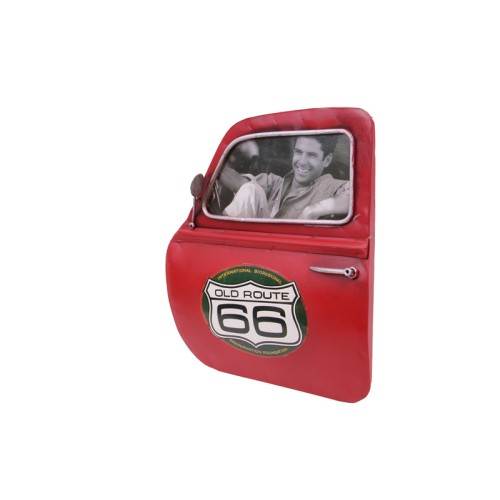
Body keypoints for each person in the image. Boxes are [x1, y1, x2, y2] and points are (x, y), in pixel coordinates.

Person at [218, 135, 350, 219]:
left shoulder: (330, 186)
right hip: (258, 244)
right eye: (299, 152)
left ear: (327, 160)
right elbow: (240, 184)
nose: (302, 162)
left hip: (292, 249)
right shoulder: (275, 183)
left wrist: (312, 210)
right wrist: (213, 171)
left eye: (311, 155)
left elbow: (355, 197)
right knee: (250, 189)